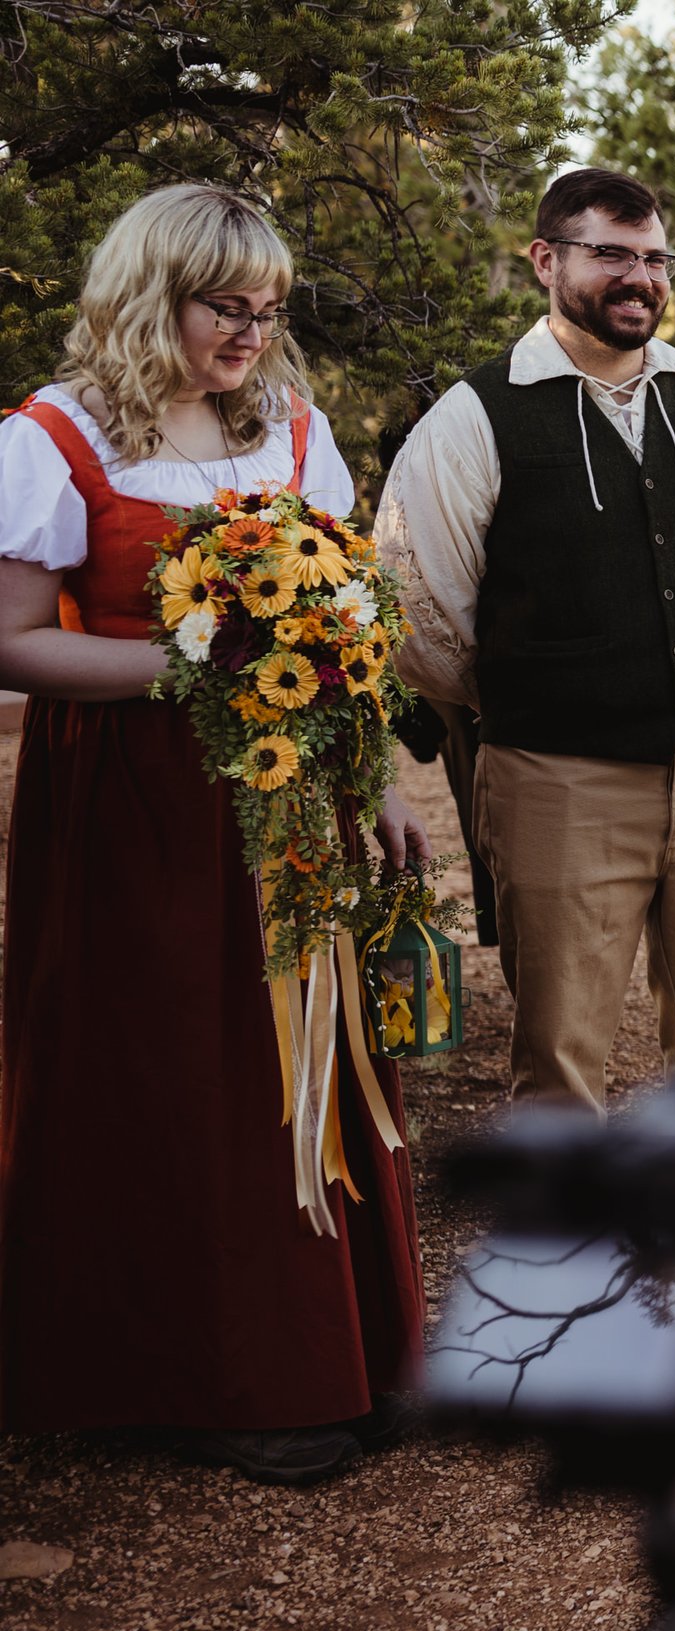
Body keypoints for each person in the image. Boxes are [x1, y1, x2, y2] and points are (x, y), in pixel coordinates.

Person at [0, 184, 429, 1483]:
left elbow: (346, 627)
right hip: (133, 801)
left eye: (267, 309)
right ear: (150, 296)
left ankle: (340, 1353)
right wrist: (191, 665)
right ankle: (198, 1375)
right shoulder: (53, 438)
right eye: (222, 307)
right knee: (175, 1064)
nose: (250, 333)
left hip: (295, 790)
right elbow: (12, 639)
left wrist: (385, 785)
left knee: (306, 1051)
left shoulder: (290, 430)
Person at [377, 167, 675, 1111]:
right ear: (545, 261)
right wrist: (537, 695)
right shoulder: (473, 417)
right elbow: (420, 612)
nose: (639, 277)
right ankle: (567, 1257)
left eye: (654, 258)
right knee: (560, 1059)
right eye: (610, 254)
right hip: (557, 779)